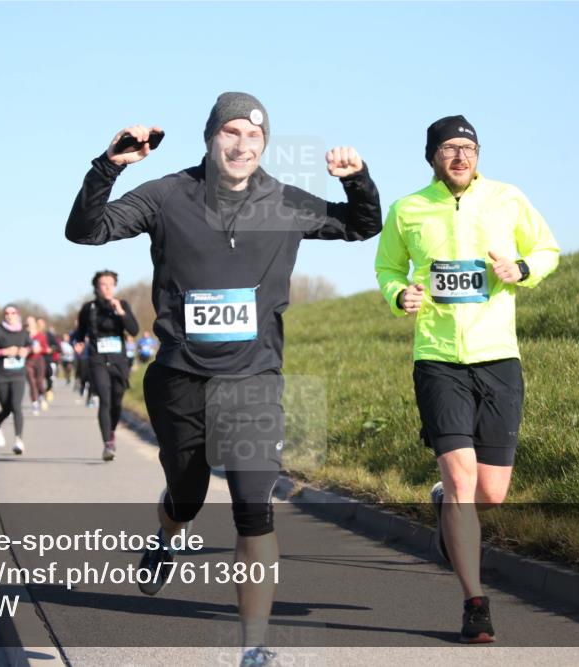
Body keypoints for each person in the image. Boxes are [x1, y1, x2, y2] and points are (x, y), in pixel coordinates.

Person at [65, 92, 381, 666]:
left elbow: (362, 226)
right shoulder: (167, 195)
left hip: (254, 377)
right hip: (180, 377)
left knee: (253, 507)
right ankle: (167, 534)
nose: (241, 145)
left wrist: (358, 180)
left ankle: (253, 648)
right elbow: (87, 232)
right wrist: (108, 165)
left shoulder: (284, 202)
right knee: (185, 496)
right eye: (230, 133)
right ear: (210, 137)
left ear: (265, 145)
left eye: (254, 137)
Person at [375, 115, 560, 644]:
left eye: (468, 148)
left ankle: (444, 510)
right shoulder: (408, 208)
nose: (460, 157)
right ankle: (475, 604)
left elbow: (547, 248)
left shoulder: (508, 198)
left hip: (498, 355)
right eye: (449, 149)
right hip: (436, 357)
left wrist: (521, 270)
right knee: (461, 480)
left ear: (478, 155)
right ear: (432, 156)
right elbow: (387, 268)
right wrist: (398, 295)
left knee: (492, 493)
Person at [74, 270, 139, 461]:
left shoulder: (122, 305)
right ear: (96, 287)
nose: (108, 287)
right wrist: (78, 343)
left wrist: (120, 312)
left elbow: (134, 330)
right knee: (105, 398)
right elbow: (80, 333)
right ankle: (107, 444)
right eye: (104, 284)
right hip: (97, 359)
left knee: (117, 400)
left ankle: (111, 430)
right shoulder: (88, 308)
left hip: (119, 360)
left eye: (111, 284)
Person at [0, 305, 30, 455]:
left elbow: (30, 345)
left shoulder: (23, 332)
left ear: (18, 314)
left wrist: (26, 351)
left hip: (18, 374)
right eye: (6, 313)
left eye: (13, 313)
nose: (9, 316)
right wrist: (4, 351)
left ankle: (18, 440)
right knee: (7, 408)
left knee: (16, 406)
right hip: (1, 375)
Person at [25, 316, 49, 416]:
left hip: (39, 360)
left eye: (31, 322)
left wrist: (40, 349)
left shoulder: (41, 336)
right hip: (28, 361)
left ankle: (41, 395)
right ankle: (34, 403)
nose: (29, 324)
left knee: (39, 381)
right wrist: (28, 350)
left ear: (35, 323)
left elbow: (46, 349)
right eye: (27, 322)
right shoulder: (24, 335)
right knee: (32, 383)